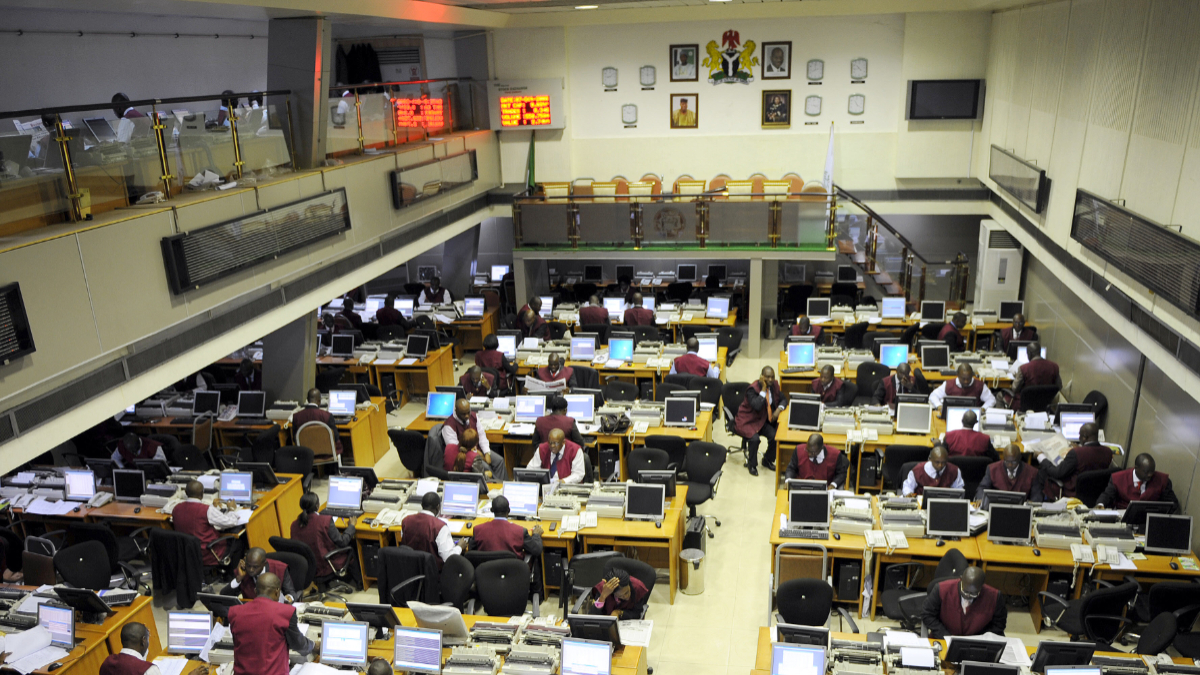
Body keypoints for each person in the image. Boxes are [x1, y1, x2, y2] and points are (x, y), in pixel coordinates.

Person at [227, 572, 314, 675]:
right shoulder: (285, 612)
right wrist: (313, 645)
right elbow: (298, 645)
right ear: (277, 591)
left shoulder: (235, 612)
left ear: (255, 591)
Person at [291, 492, 360, 590]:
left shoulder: (294, 524)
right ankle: (359, 583)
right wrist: (352, 526)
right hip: (325, 564)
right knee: (351, 547)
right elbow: (343, 541)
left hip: (307, 567)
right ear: (317, 506)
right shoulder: (324, 521)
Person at [172, 480, 244, 567]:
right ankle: (229, 577)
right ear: (202, 494)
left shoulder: (176, 508)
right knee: (239, 543)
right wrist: (231, 509)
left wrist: (214, 508)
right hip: (207, 554)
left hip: (186, 553)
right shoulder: (206, 510)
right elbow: (231, 522)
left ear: (186, 493)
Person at [921, 567, 1006, 639]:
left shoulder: (995, 597)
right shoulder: (941, 589)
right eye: (965, 591)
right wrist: (944, 635)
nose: (968, 596)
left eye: (973, 593)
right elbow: (927, 613)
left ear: (981, 586)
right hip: (943, 638)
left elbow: (999, 624)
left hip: (977, 642)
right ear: (961, 579)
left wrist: (982, 639)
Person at [1039, 422, 1113, 500]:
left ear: (1084, 437)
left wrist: (1041, 457)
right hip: (1097, 494)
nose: (1079, 437)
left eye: (1080, 435)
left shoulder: (1076, 453)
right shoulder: (1108, 452)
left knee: (1042, 472)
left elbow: (1057, 473)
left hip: (1074, 494)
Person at [734, 366, 786, 476]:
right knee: (754, 439)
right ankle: (752, 465)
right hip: (748, 420)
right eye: (767, 377)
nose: (770, 380)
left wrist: (778, 409)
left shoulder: (774, 386)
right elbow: (757, 406)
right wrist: (763, 389)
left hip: (761, 420)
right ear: (761, 377)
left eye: (772, 377)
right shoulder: (752, 389)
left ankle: (767, 460)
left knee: (775, 436)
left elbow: (783, 399)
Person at [100, 622, 207, 675]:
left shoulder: (107, 663)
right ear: (143, 641)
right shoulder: (149, 670)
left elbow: (134, 659)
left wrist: (144, 640)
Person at [442, 399, 506, 478]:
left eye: (468, 412)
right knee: (486, 467)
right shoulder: (449, 425)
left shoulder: (473, 416)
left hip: (479, 450)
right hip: (465, 455)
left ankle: (501, 485)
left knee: (499, 461)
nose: (466, 416)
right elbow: (456, 448)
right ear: (456, 411)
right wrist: (478, 454)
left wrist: (486, 452)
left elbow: (481, 435)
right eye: (463, 414)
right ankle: (493, 485)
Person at [1096, 453, 1180, 511]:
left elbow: (1173, 504)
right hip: (1123, 517)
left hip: (1148, 520)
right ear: (1136, 468)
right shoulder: (1118, 478)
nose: (1150, 475)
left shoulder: (1162, 480)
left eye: (1152, 471)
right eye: (1146, 472)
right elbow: (1107, 495)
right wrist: (1100, 504)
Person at [471, 496, 544, 558]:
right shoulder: (520, 531)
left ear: (491, 510)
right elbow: (536, 550)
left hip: (485, 572)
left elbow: (471, 553)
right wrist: (536, 535)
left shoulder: (478, 530)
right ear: (509, 510)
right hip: (513, 572)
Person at [401, 492, 462, 563]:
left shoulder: (406, 521)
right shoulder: (440, 527)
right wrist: (459, 547)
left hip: (410, 568)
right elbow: (448, 558)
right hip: (432, 571)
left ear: (421, 505)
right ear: (438, 507)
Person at [224, 547, 297, 602]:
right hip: (251, 612)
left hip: (275, 610)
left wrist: (288, 599)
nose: (251, 570)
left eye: (255, 567)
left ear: (264, 564)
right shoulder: (242, 571)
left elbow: (291, 592)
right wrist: (238, 579)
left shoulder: (280, 568)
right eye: (249, 566)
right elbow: (224, 595)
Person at [976, 444, 1043, 501]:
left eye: (1014, 462)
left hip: (1020, 509)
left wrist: (1033, 504)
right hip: (998, 506)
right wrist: (981, 499)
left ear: (1020, 458)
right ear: (1003, 458)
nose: (1010, 465)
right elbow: (982, 487)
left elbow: (1037, 495)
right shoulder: (992, 469)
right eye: (1007, 462)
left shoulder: (1032, 472)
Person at [291, 388, 343, 455]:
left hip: (305, 454)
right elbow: (335, 437)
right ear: (319, 401)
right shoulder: (327, 416)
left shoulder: (296, 417)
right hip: (325, 452)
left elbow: (295, 438)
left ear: (307, 399)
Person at [1011, 342, 1061, 409]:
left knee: (1000, 396)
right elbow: (1059, 386)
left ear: (1029, 354)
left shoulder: (1023, 368)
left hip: (1025, 403)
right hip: (1045, 404)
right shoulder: (1054, 367)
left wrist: (1017, 377)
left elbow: (1014, 388)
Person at [928, 364, 996, 409]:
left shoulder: (979, 385)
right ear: (957, 375)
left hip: (972, 418)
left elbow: (991, 399)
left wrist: (983, 409)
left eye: (968, 379)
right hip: (951, 414)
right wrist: (939, 406)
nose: (966, 381)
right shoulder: (949, 384)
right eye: (963, 379)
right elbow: (933, 395)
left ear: (972, 375)